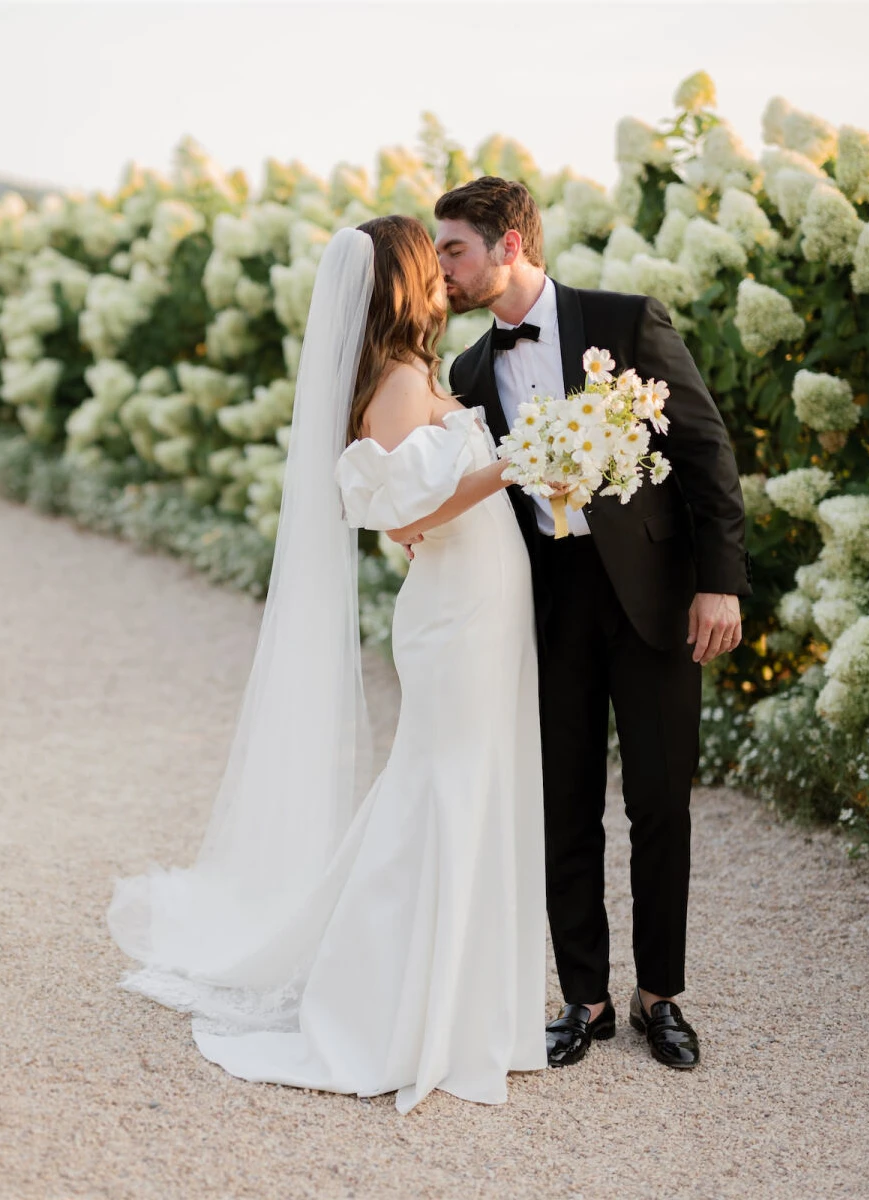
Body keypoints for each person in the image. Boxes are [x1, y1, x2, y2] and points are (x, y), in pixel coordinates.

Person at [107, 215, 547, 1113]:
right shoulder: (391, 380)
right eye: (433, 264)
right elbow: (401, 517)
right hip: (455, 610)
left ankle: (466, 1003)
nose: (444, 278)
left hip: (487, 601)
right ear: (407, 279)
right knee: (440, 784)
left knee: (474, 779)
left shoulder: (421, 371)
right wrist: (509, 468)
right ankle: (386, 1007)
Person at [426, 176, 749, 1070]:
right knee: (564, 807)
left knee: (659, 804)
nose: (442, 266)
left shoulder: (626, 321)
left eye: (454, 248)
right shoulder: (468, 373)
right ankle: (587, 1000)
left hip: (651, 598)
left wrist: (718, 584)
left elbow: (705, 452)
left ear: (510, 245)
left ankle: (662, 998)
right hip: (542, 608)